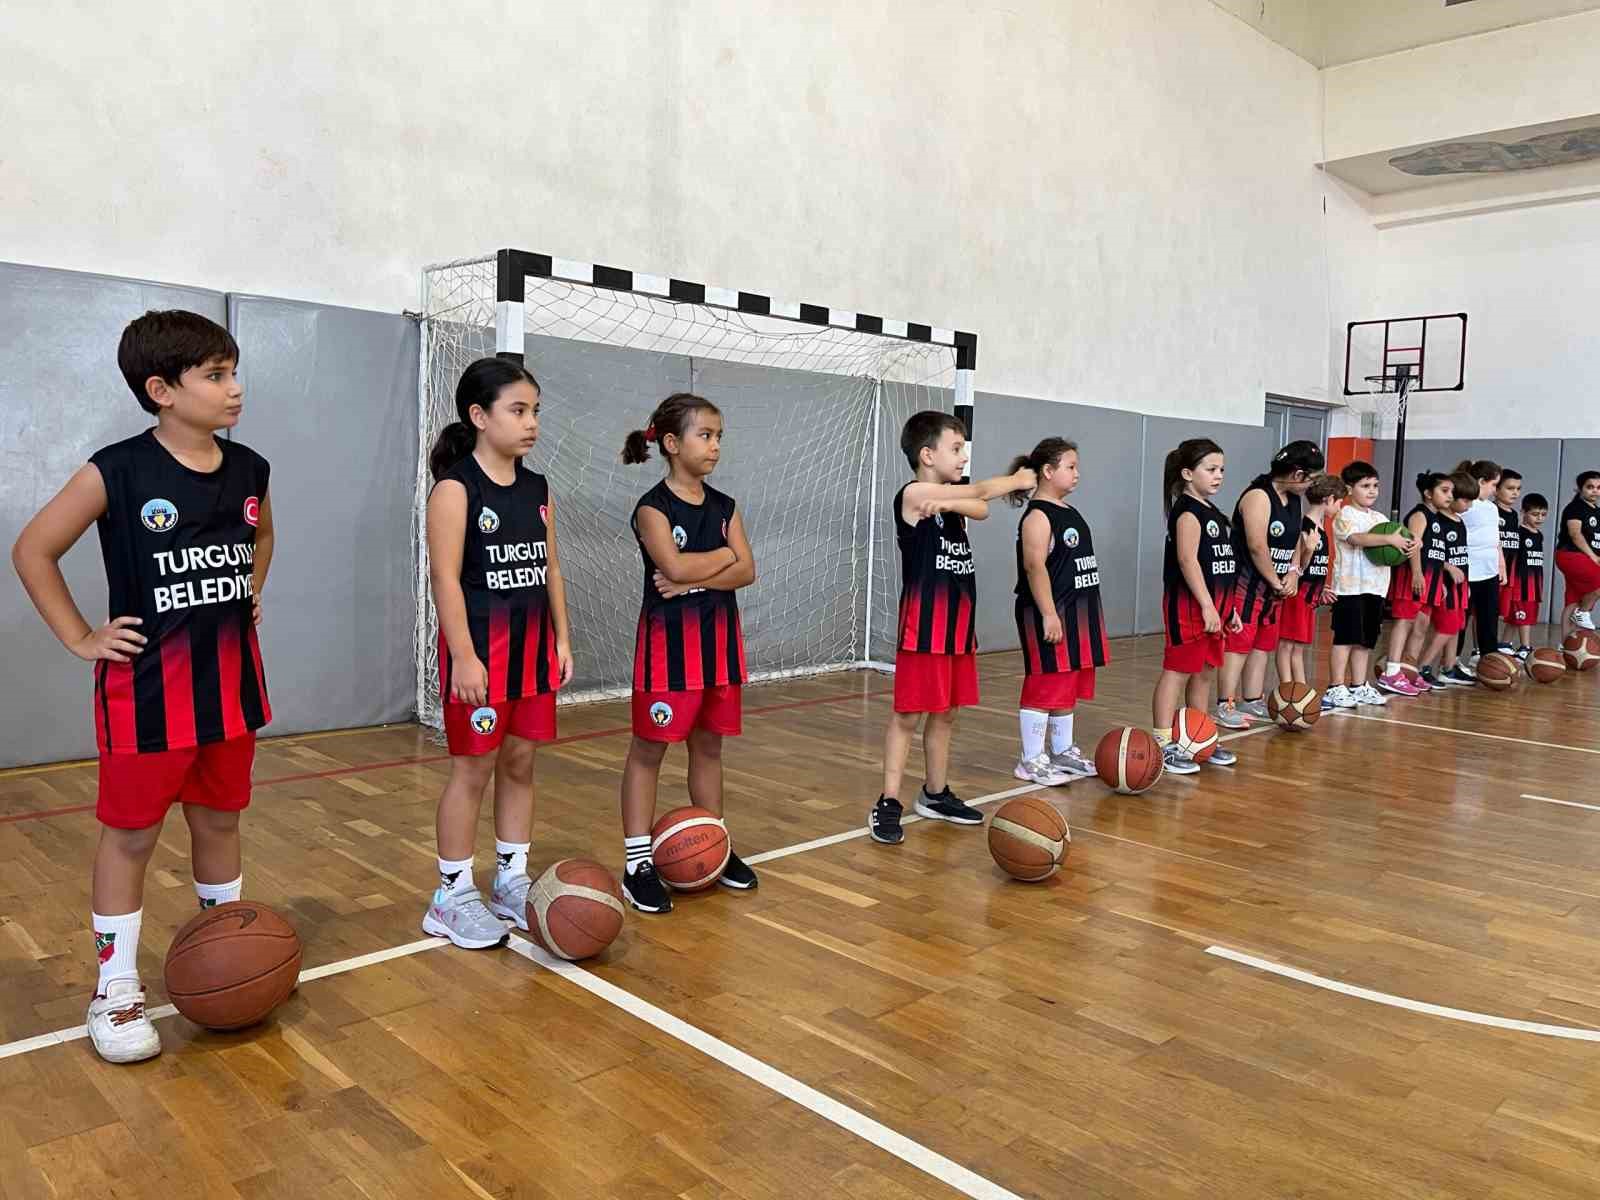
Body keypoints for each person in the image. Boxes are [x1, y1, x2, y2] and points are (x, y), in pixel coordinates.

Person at [11, 310, 273, 1062]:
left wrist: (251, 585)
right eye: (216, 376)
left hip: (232, 690)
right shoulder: (117, 470)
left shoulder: (251, 468)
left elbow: (264, 534)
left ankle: (229, 946)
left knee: (219, 825)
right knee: (130, 838)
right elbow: (33, 548)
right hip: (149, 696)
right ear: (161, 390)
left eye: (232, 371)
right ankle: (116, 987)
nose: (234, 388)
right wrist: (79, 637)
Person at [422, 358, 572, 949]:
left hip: (533, 652)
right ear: (479, 416)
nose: (531, 422)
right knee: (473, 768)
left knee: (520, 763)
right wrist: (462, 654)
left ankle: (511, 878)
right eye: (518, 410)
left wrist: (562, 638)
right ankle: (452, 894)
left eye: (535, 410)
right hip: (481, 654)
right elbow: (445, 578)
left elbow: (552, 566)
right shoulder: (456, 487)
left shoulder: (536, 489)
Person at [616, 393, 757, 913]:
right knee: (648, 752)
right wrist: (724, 556)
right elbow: (672, 569)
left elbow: (749, 571)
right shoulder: (652, 508)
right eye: (706, 435)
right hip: (666, 653)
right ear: (673, 444)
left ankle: (713, 843)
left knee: (710, 749)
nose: (716, 445)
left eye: (720, 436)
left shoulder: (726, 506)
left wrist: (707, 565)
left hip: (719, 650)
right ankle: (636, 864)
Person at [868, 412, 1035, 845]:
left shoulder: (945, 499)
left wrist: (948, 502)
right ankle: (888, 800)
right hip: (924, 627)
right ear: (927, 455)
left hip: (958, 626)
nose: (963, 457)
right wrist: (1017, 479)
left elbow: (977, 507)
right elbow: (980, 494)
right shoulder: (912, 494)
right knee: (908, 715)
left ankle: (935, 792)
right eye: (956, 449)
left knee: (946, 714)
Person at [1008, 438, 1105, 787]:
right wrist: (1049, 613)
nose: (1077, 473)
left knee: (1066, 681)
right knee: (1046, 680)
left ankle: (1062, 750)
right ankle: (1031, 758)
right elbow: (1035, 567)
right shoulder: (1037, 516)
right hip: (1050, 612)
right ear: (1048, 472)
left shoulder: (1068, 511)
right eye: (1070, 466)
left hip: (1078, 612)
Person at [1217, 441, 1323, 727]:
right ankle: (1224, 704)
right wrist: (1276, 580)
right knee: (1239, 645)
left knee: (1263, 645)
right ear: (1298, 474)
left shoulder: (1294, 500)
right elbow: (1257, 546)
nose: (1311, 486)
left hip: (1272, 589)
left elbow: (1291, 543)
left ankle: (1251, 700)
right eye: (1311, 479)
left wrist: (1293, 572)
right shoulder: (1258, 497)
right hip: (1245, 584)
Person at [1151, 438, 1239, 775]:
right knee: (1177, 671)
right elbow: (1188, 561)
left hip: (1214, 608)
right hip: (1188, 607)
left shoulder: (1212, 511)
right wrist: (1206, 605)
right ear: (1188, 473)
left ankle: (1197, 738)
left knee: (1204, 673)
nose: (1218, 476)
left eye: (1221, 470)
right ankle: (1162, 741)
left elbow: (1220, 565)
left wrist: (1227, 609)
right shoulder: (1187, 512)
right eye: (1211, 469)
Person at [1328, 461, 1415, 709]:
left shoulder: (1380, 518)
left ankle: (1358, 685)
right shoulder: (1344, 514)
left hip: (1376, 588)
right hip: (1349, 588)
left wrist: (1410, 544)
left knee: (1365, 640)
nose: (1372, 491)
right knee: (1345, 638)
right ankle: (1335, 686)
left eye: (1375, 485)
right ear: (1348, 488)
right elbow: (1356, 538)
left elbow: (1400, 543)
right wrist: (1389, 538)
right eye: (1365, 486)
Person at [1274, 473, 1346, 688]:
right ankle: (1289, 691)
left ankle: (1300, 689)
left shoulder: (1321, 530)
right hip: (1297, 595)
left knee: (1298, 647)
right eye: (1340, 502)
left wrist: (1321, 587)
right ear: (1329, 499)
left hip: (1309, 598)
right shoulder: (1305, 527)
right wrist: (1308, 550)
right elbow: (1300, 567)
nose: (1340, 508)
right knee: (1287, 646)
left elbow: (1315, 568)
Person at [1407, 470, 1476, 688]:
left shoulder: (1458, 521)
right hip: (1440, 580)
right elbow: (1425, 550)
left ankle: (1448, 666)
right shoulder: (1433, 519)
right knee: (1443, 625)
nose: (1468, 504)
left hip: (1457, 583)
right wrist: (1445, 568)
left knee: (1456, 625)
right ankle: (1420, 667)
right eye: (1462, 498)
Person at [1454, 459, 1504, 674]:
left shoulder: (1492, 508)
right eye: (1494, 485)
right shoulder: (1465, 506)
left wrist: (1501, 564)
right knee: (1461, 619)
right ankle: (1452, 661)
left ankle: (1488, 660)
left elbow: (1495, 539)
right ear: (1482, 481)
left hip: (1489, 572)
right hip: (1468, 571)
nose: (1495, 491)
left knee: (1489, 618)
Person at [1501, 492, 1547, 659]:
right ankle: (1525, 647)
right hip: (1521, 585)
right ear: (1523, 512)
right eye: (1535, 514)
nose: (1539, 518)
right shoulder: (1520, 533)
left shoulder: (1539, 535)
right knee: (1523, 617)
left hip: (1535, 584)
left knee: (1517, 618)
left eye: (1543, 514)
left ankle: (1504, 644)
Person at [1554, 471, 1600, 632]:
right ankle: (1583, 612)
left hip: (1584, 557)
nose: (1595, 491)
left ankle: (1565, 645)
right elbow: (1575, 534)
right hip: (1571, 555)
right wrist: (1593, 556)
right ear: (1580, 489)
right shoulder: (1575, 507)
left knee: (1573, 599)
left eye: (1598, 487)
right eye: (1590, 487)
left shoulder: (1596, 510)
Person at [1493, 469, 1524, 654]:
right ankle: (1478, 650)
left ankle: (1499, 644)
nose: (1515, 493)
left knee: (1498, 612)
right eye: (1510, 488)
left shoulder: (1513, 515)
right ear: (1496, 489)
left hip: (1510, 569)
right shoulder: (1491, 511)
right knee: (1485, 612)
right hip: (1493, 568)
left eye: (1518, 489)